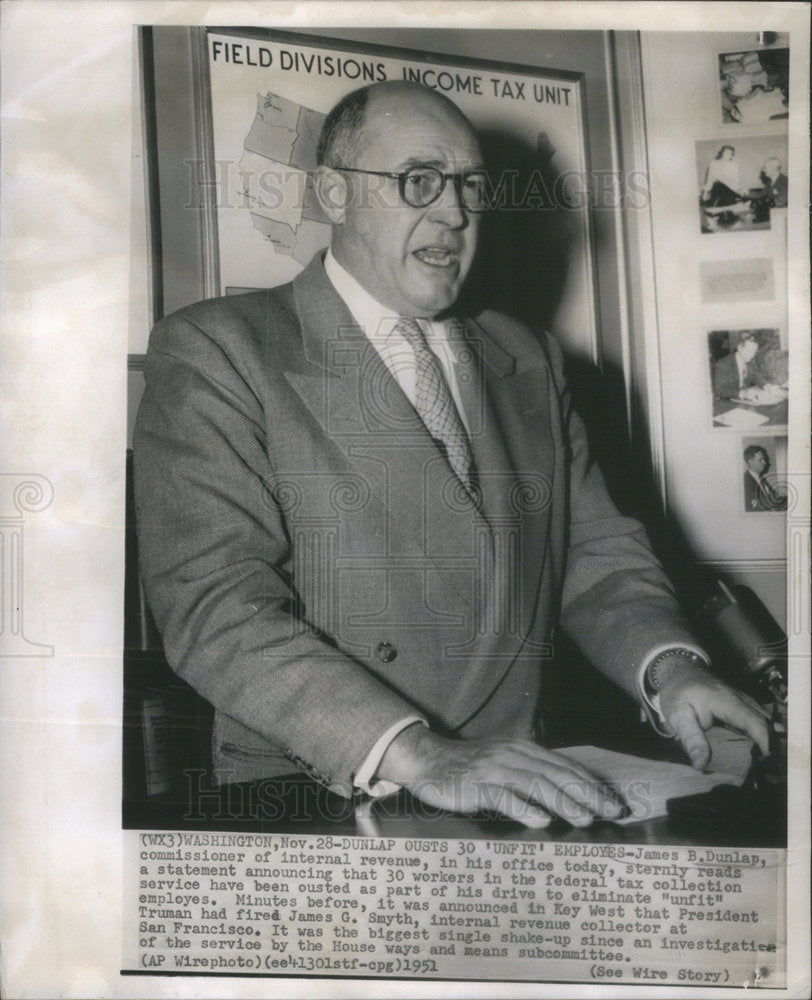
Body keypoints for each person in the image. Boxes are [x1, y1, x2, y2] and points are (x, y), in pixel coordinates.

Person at [134, 81, 768, 829]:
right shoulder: (222, 349)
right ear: (334, 194)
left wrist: (670, 670)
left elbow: (594, 555)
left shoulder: (527, 356)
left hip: (518, 784)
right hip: (328, 791)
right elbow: (216, 607)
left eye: (470, 185)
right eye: (420, 181)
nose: (456, 213)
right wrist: (417, 752)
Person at [712, 331, 766, 401]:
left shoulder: (749, 361)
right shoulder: (722, 365)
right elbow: (719, 390)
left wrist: (767, 386)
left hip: (744, 401)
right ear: (739, 348)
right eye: (749, 351)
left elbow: (756, 375)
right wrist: (743, 394)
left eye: (754, 352)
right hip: (727, 402)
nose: (752, 355)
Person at [743, 445, 788, 513]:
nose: (764, 462)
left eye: (764, 459)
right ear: (750, 461)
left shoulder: (762, 479)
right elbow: (754, 508)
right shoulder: (745, 482)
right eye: (760, 460)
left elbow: (774, 497)